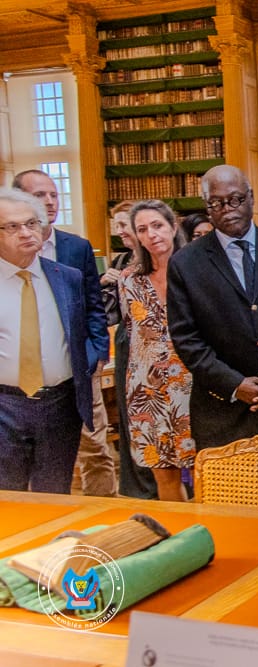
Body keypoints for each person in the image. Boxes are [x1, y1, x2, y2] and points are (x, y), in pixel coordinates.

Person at [167, 165, 258, 450]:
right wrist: (236, 385)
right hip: (223, 414)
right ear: (207, 207)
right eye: (217, 203)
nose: (228, 209)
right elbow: (186, 340)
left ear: (251, 198)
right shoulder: (185, 263)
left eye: (236, 199)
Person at [13, 169, 114, 496]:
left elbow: (94, 307)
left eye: (54, 195)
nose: (50, 202)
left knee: (94, 448)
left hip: (76, 371)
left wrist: (96, 354)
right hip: (18, 378)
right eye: (39, 195)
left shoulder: (76, 248)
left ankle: (102, 512)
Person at [0, 188, 96, 493]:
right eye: (12, 226)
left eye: (31, 223)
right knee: (8, 498)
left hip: (59, 405)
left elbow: (85, 327)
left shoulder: (67, 277)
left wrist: (91, 361)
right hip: (4, 405)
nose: (26, 232)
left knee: (55, 494)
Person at [119, 200, 194, 501]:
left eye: (157, 225)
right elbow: (131, 330)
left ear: (173, 227)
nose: (151, 234)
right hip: (147, 390)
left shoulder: (197, 272)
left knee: (205, 471)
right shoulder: (129, 280)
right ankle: (177, 530)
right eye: (142, 229)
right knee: (164, 474)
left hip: (193, 383)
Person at [105, 201, 157, 499]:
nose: (120, 232)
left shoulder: (162, 262)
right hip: (126, 345)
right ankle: (136, 490)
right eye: (118, 226)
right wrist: (103, 284)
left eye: (125, 225)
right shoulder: (120, 262)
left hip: (155, 348)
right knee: (131, 419)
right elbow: (109, 315)